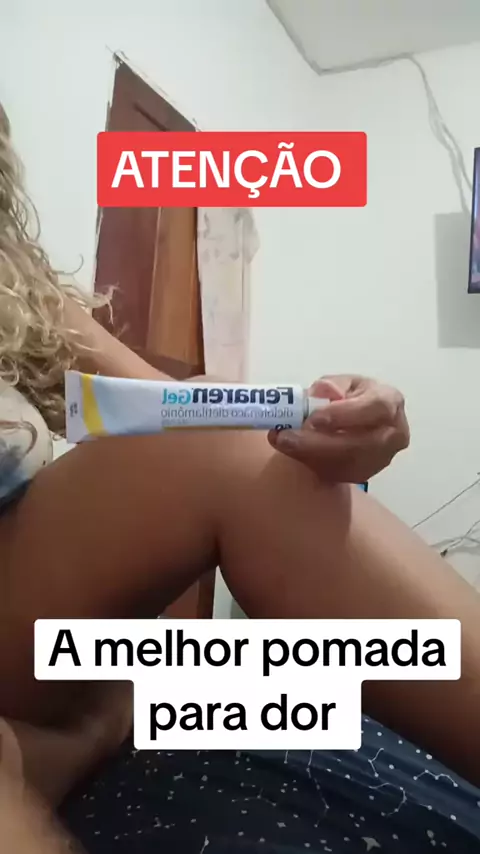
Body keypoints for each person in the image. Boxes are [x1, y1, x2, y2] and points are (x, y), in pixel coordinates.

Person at [1, 97, 480, 817]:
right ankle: (92, 726)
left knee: (237, 443)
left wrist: (327, 418)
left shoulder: (12, 280)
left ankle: (94, 725)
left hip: (35, 599)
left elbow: (179, 415)